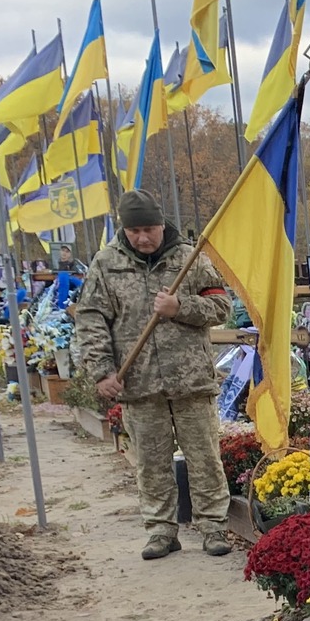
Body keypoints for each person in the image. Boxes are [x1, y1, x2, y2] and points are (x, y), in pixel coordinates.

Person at [76, 189, 234, 560]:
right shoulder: (105, 264)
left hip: (190, 379)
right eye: (135, 232)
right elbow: (91, 320)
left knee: (205, 458)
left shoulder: (189, 258)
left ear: (162, 225)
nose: (143, 238)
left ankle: (213, 526)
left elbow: (221, 305)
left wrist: (181, 306)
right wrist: (102, 372)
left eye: (149, 229)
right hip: (140, 382)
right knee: (150, 462)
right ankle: (161, 530)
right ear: (124, 230)